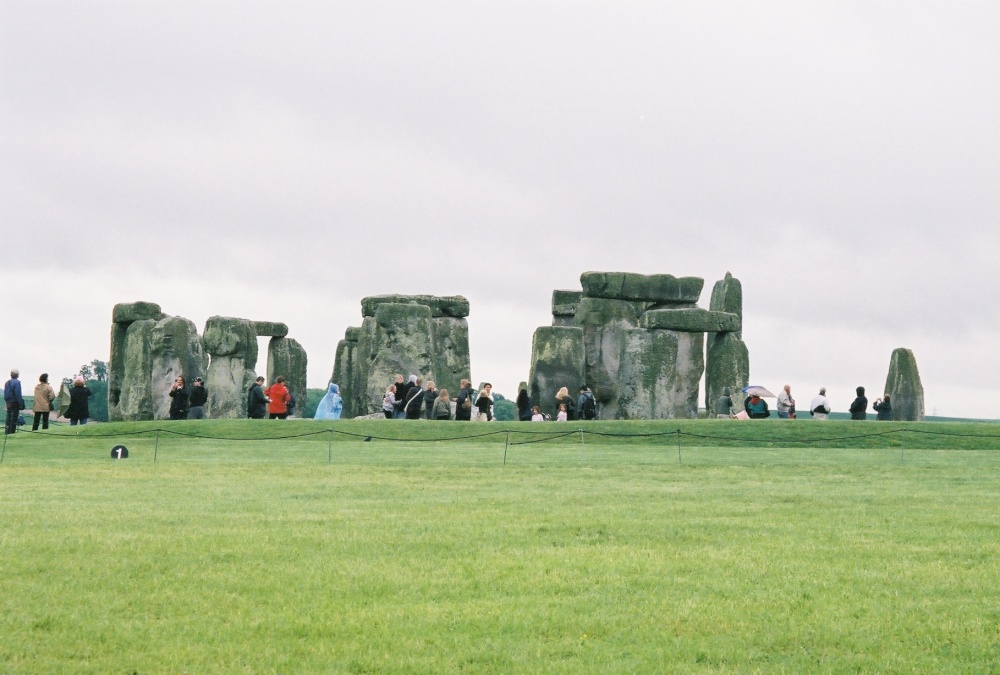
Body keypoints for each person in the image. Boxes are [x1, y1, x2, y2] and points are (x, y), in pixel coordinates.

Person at [5, 369, 26, 434]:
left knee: (8, 418)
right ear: (17, 375)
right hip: (14, 403)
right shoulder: (17, 383)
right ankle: (12, 432)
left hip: (8, 403)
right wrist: (21, 404)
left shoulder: (7, 382)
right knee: (14, 419)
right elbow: (18, 394)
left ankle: (7, 432)